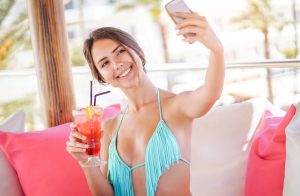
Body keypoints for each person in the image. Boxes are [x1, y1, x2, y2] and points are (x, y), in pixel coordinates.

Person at [66, 10, 224, 196]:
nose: (116, 64)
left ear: (138, 52)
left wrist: (217, 49)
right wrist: (86, 161)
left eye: (121, 51)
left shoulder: (176, 107)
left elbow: (209, 94)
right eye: (105, 63)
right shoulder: (109, 128)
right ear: (102, 77)